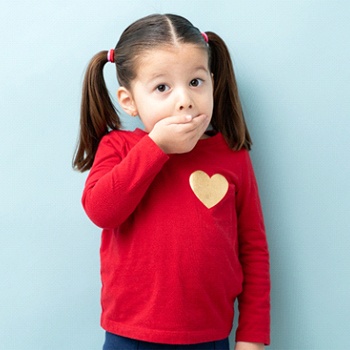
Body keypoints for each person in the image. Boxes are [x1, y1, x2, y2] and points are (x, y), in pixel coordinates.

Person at [73, 13, 270, 350]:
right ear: (129, 101)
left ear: (212, 80)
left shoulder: (232, 155)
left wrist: (252, 336)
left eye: (195, 82)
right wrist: (155, 147)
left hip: (209, 337)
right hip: (130, 336)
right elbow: (101, 211)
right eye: (162, 87)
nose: (185, 99)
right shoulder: (119, 148)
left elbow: (253, 250)